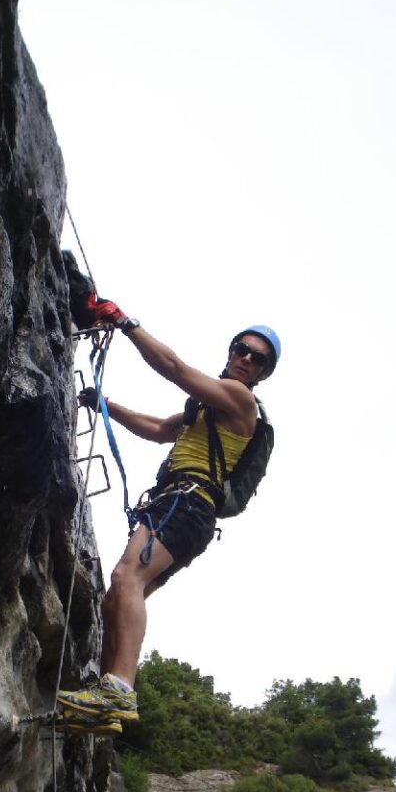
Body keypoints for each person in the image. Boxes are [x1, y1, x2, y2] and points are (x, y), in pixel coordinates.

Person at [57, 295, 280, 735]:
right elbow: (161, 430)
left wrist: (127, 324)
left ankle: (118, 691)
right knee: (116, 598)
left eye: (258, 359)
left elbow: (175, 368)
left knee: (126, 578)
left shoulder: (240, 400)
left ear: (262, 374)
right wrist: (106, 404)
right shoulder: (205, 411)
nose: (246, 360)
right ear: (231, 351)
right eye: (242, 350)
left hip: (188, 503)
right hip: (185, 510)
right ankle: (104, 701)